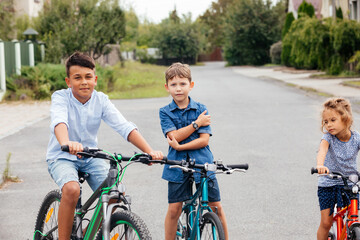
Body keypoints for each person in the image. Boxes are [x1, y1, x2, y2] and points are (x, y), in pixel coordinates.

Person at [46, 51, 163, 240]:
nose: (84, 82)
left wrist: (148, 151)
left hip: (91, 157)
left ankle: (86, 233)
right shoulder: (61, 97)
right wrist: (66, 142)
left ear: (95, 79)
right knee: (72, 189)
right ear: (68, 82)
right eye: (77, 78)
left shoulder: (101, 100)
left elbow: (124, 126)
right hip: (62, 156)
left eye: (88, 77)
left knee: (116, 193)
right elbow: (59, 122)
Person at [159, 62, 229, 240]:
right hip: (177, 166)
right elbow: (174, 135)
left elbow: (203, 140)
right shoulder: (165, 112)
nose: (178, 89)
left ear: (191, 85)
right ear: (167, 87)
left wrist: (181, 146)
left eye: (183, 84)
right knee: (174, 208)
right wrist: (196, 124)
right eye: (173, 85)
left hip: (203, 163)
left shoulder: (200, 108)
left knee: (216, 207)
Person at [315, 97, 360, 240]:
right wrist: (320, 166)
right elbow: (322, 151)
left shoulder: (357, 137)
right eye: (326, 122)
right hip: (328, 183)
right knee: (326, 222)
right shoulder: (328, 137)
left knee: (353, 216)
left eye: (333, 120)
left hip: (350, 183)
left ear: (345, 118)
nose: (329, 125)